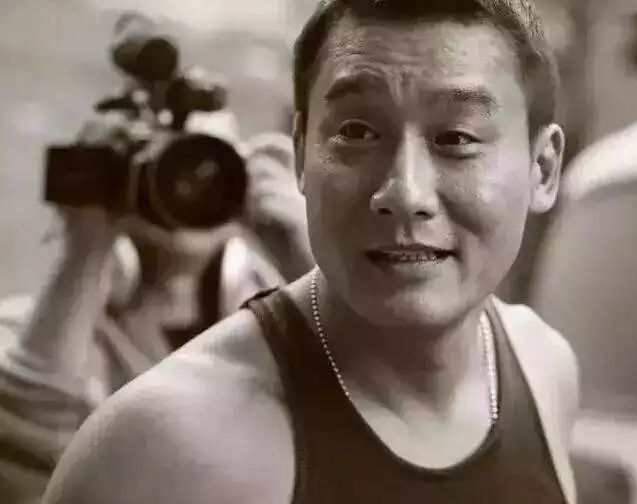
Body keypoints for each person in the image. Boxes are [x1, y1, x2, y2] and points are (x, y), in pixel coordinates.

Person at [42, 1, 580, 503]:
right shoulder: (165, 450)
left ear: (543, 169)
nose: (404, 192)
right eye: (357, 130)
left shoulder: (543, 369)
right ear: (301, 153)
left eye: (457, 138)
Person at [0, 108, 314, 502]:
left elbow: (370, 412)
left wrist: (309, 256)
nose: (187, 184)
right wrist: (85, 247)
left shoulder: (287, 328)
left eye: (207, 163)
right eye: (167, 161)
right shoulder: (38, 333)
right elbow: (22, 457)